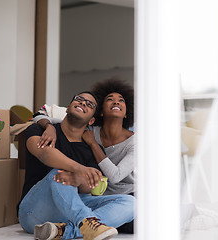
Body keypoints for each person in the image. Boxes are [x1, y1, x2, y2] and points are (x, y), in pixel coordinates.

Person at [18, 91, 135, 240]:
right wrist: (79, 169)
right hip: (33, 211)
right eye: (79, 99)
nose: (83, 103)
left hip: (69, 211)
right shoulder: (40, 130)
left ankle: (65, 231)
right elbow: (45, 154)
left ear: (91, 121)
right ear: (67, 108)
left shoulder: (91, 149)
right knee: (60, 173)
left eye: (89, 104)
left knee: (130, 203)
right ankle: (86, 223)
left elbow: (92, 187)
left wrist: (80, 180)